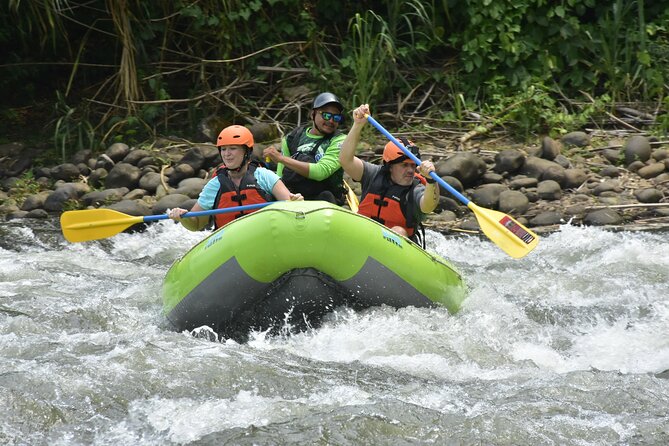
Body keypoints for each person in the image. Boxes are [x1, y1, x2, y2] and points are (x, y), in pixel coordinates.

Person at [168, 125, 302, 230]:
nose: (227, 154)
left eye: (232, 148)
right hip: (229, 244)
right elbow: (196, 224)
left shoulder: (264, 176)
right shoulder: (215, 185)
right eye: (223, 149)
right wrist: (183, 217)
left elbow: (290, 205)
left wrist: (296, 201)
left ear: (246, 151)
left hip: (265, 235)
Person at [339, 103, 440, 243]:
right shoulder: (373, 174)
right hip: (364, 239)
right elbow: (345, 160)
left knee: (398, 232)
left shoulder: (415, 190)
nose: (410, 170)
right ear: (390, 166)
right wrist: (357, 125)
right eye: (404, 165)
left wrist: (431, 181)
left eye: (413, 165)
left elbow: (428, 206)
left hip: (396, 249)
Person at [262, 92, 347, 205]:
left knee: (327, 196)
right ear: (313, 114)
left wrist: (281, 159)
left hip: (323, 198)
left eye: (336, 118)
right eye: (326, 115)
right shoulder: (292, 138)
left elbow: (321, 172)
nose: (331, 121)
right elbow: (280, 176)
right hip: (295, 197)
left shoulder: (340, 140)